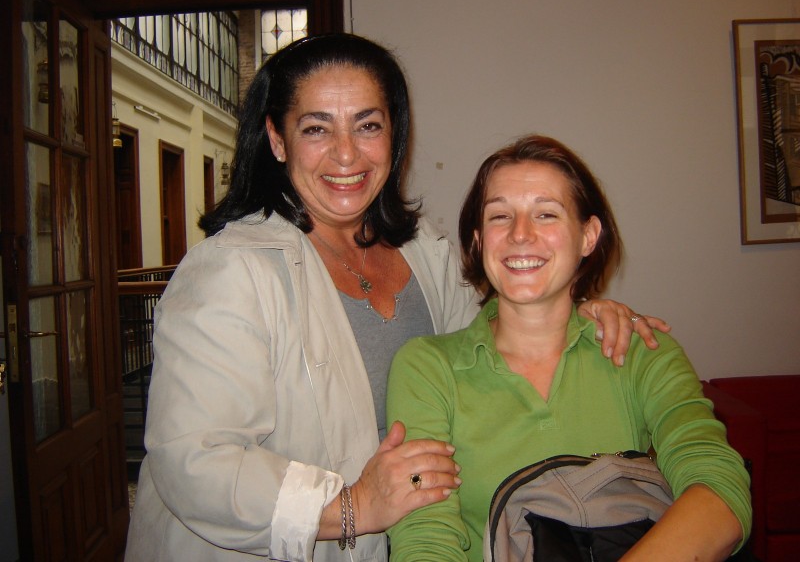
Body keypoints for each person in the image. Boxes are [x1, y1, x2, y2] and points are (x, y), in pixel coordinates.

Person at [124, 35, 667, 561]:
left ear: (394, 133)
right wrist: (353, 506)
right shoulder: (231, 270)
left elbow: (488, 350)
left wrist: (577, 310)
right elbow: (192, 462)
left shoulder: (423, 250)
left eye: (368, 125)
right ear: (277, 139)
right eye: (316, 128)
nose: (346, 153)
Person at [386, 135, 751, 562]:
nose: (520, 234)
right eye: (500, 216)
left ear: (588, 236)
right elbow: (425, 536)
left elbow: (719, 490)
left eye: (546, 214)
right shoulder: (428, 368)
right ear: (479, 240)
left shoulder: (642, 351)